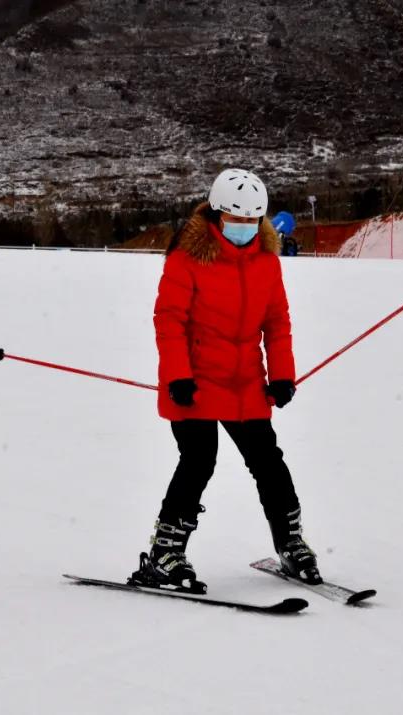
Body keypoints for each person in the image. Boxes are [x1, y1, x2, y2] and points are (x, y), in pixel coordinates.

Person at [128, 169, 322, 594]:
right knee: (199, 459)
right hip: (194, 380)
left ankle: (291, 543)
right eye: (236, 222)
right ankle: (166, 553)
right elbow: (170, 320)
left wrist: (283, 375)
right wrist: (178, 375)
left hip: (244, 380)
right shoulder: (188, 256)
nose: (245, 230)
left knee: (268, 460)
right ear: (217, 216)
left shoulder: (267, 261)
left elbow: (277, 322)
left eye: (253, 222)